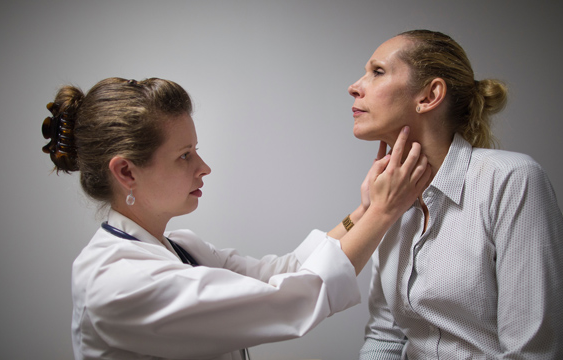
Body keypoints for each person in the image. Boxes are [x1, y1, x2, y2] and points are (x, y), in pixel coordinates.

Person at [40, 77, 431, 360]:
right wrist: (384, 212)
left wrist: (362, 212)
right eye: (184, 155)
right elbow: (291, 299)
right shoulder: (117, 284)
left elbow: (287, 270)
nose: (204, 167)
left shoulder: (182, 247)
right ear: (126, 172)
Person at [347, 30, 563, 359]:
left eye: (377, 71)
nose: (355, 86)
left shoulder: (512, 180)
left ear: (429, 95)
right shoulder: (390, 199)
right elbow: (385, 337)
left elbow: (533, 353)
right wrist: (367, 212)